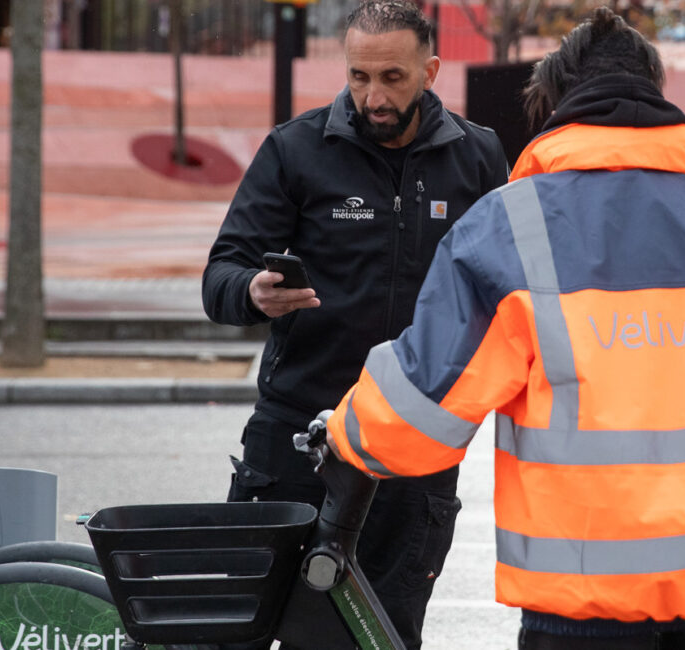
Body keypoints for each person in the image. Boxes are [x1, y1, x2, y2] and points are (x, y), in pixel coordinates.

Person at [324, 8, 685, 649]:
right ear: (657, 99)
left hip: (584, 599)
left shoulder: (508, 230)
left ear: (553, 106)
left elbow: (419, 416)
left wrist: (344, 430)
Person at [201, 1, 508, 647]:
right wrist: (251, 292)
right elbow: (221, 274)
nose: (373, 96)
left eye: (392, 78)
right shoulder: (295, 148)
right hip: (294, 434)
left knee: (387, 633)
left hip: (416, 439)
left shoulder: (478, 157)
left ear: (430, 70)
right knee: (249, 627)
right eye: (359, 76)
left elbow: (508, 288)